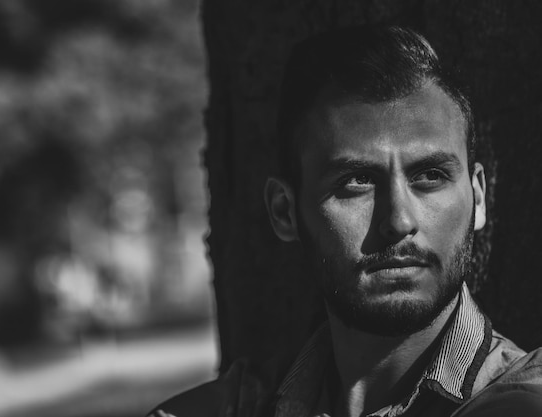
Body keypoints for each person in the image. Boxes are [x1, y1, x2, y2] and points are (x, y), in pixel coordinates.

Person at [147, 25, 542, 417]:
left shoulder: (522, 399)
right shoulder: (240, 404)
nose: (399, 221)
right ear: (285, 212)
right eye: (358, 182)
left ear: (477, 197)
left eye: (430, 176)